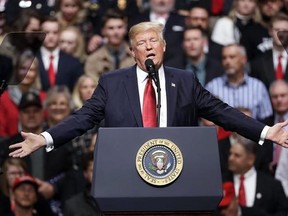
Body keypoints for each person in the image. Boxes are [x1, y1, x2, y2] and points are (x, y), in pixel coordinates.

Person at [8, 21, 288, 160]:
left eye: (155, 40)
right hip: (127, 173)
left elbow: (222, 113)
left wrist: (265, 131)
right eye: (142, 43)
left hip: (178, 172)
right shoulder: (112, 83)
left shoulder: (185, 81)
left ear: (164, 46)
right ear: (132, 52)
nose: (150, 46)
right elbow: (82, 118)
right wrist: (44, 138)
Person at [219, 135, 288, 215]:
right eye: (230, 154)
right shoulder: (219, 184)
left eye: (237, 155)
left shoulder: (273, 186)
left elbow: (282, 212)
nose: (231, 158)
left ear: (250, 159)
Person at [205, 43, 273, 121]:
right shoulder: (212, 87)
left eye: (232, 57)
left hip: (251, 133)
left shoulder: (258, 87)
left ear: (243, 59)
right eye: (224, 58)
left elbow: (266, 119)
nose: (227, 61)